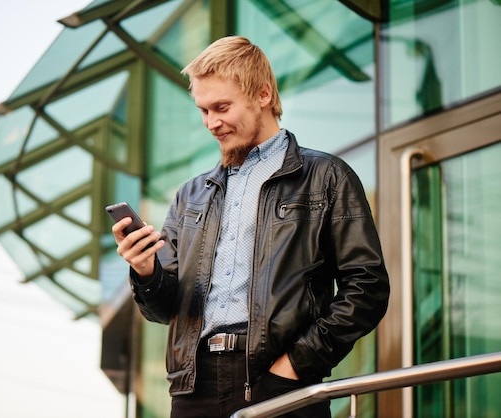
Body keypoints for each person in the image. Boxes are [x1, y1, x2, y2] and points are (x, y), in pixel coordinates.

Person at [111, 36, 390, 418]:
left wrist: (296, 363)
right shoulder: (190, 195)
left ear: (262, 94)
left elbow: (368, 287)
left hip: (281, 380)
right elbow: (165, 310)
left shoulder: (326, 177)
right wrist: (145, 271)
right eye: (203, 111)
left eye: (221, 107)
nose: (212, 122)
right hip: (193, 388)